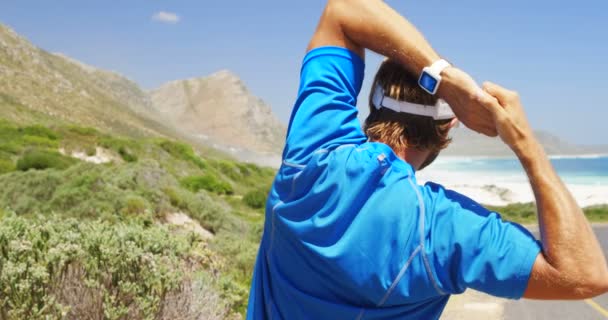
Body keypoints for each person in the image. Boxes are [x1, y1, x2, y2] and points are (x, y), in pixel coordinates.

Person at [247, 1, 608, 319]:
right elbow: (584, 276)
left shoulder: (311, 154)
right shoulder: (438, 230)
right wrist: (527, 146)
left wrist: (445, 80)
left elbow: (343, 10)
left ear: (374, 104)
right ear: (448, 127)